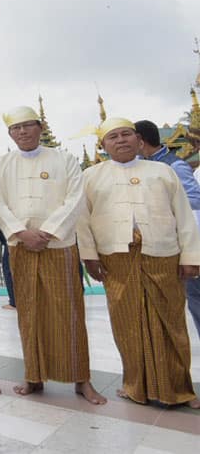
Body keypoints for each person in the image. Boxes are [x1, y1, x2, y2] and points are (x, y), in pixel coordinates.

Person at [0, 106, 105, 404]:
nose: (23, 132)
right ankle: (34, 376)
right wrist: (21, 232)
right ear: (10, 133)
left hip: (59, 246)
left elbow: (75, 198)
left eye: (29, 126)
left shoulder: (63, 159)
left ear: (40, 127)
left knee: (69, 312)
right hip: (21, 246)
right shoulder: (1, 165)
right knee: (28, 312)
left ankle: (82, 380)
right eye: (17, 128)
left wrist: (50, 231)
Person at [80, 118, 199, 409]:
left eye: (126, 135)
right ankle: (135, 386)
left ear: (138, 140)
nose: (120, 140)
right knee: (127, 324)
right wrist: (90, 257)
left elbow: (184, 215)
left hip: (162, 254)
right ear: (103, 145)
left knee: (172, 323)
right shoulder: (91, 176)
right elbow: (82, 221)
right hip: (116, 257)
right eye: (112, 137)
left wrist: (191, 257)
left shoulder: (163, 172)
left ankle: (180, 388)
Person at [135, 119, 200, 337]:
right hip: (162, 244)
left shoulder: (174, 165)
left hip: (187, 242)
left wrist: (159, 208)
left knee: (197, 297)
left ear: (141, 142)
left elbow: (194, 201)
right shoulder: (142, 165)